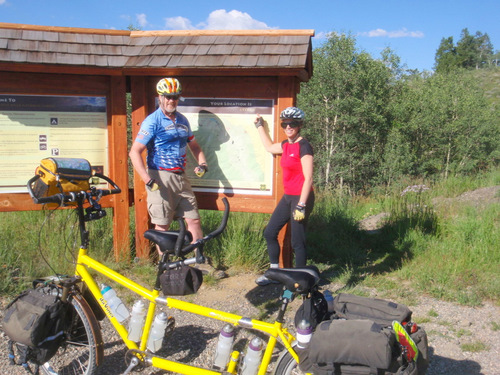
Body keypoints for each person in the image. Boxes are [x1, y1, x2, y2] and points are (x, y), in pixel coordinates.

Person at [129, 77, 208, 254]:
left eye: (175, 96)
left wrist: (202, 164)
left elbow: (194, 146)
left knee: (193, 220)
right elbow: (135, 152)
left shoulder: (182, 119)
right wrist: (147, 179)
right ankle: (166, 266)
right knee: (162, 223)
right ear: (160, 97)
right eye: (168, 96)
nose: (172, 100)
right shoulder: (153, 121)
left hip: (181, 177)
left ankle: (199, 259)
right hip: (160, 176)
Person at [254, 107, 315, 286]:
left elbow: (309, 177)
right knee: (270, 232)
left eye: (293, 124)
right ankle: (274, 273)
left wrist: (302, 205)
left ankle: (300, 280)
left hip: (301, 198)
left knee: (297, 241)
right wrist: (259, 126)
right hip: (288, 196)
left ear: (300, 125)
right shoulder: (286, 145)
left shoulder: (304, 146)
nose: (288, 127)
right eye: (285, 124)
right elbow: (269, 147)